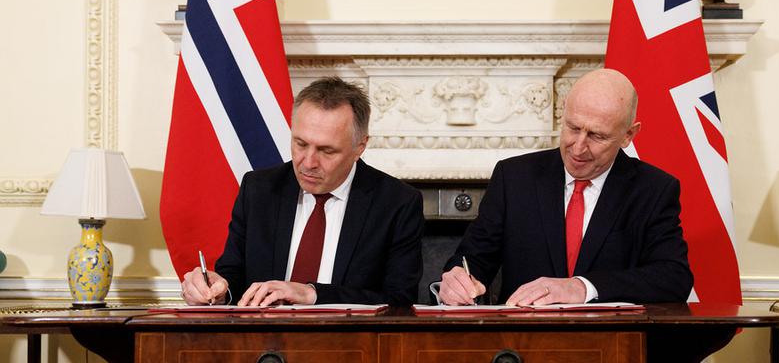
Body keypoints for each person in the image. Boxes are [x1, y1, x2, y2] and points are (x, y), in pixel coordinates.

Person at [438, 68, 693, 307]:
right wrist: (456, 282)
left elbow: (674, 278)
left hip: (611, 337)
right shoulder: (514, 178)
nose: (578, 147)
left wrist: (582, 287)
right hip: (522, 336)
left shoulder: (654, 190)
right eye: (573, 128)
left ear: (628, 135)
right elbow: (472, 260)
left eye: (597, 136)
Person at [181, 77, 424, 306]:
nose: (308, 162)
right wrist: (218, 290)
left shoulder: (396, 202)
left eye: (327, 151)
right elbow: (233, 277)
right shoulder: (259, 190)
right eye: (300, 144)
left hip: (350, 336)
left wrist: (312, 294)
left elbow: (400, 300)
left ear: (359, 146)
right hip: (263, 335)